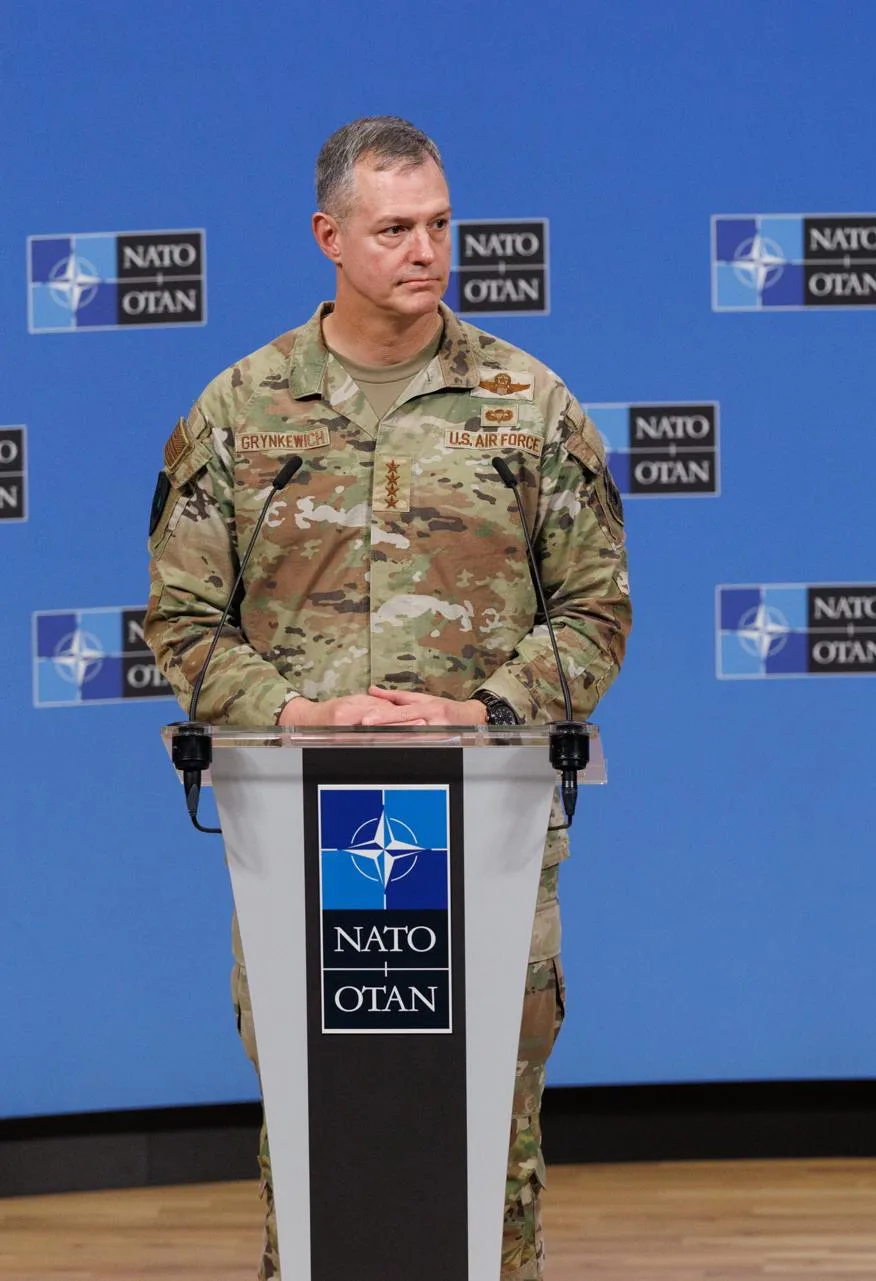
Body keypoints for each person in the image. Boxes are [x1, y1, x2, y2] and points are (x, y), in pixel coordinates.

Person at [145, 115, 631, 1280]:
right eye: (395, 227)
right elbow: (181, 623)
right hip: (305, 835)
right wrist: (299, 714)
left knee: (487, 1140)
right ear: (330, 237)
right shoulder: (237, 414)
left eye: (440, 224)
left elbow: (595, 613)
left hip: (489, 833)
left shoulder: (529, 404)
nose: (427, 250)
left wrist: (488, 711)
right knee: (321, 1133)